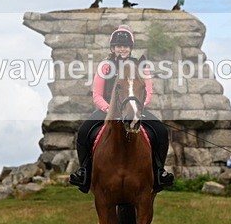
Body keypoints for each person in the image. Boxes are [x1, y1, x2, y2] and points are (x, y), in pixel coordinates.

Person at [69, 25, 174, 193]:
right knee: (83, 133)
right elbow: (97, 95)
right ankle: (85, 172)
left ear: (130, 48)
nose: (122, 49)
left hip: (136, 109)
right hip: (108, 111)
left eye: (125, 46)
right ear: (113, 48)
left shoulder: (140, 66)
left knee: (161, 132)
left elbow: (148, 92)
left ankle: (159, 171)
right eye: (118, 46)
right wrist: (110, 110)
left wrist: (137, 109)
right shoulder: (105, 67)